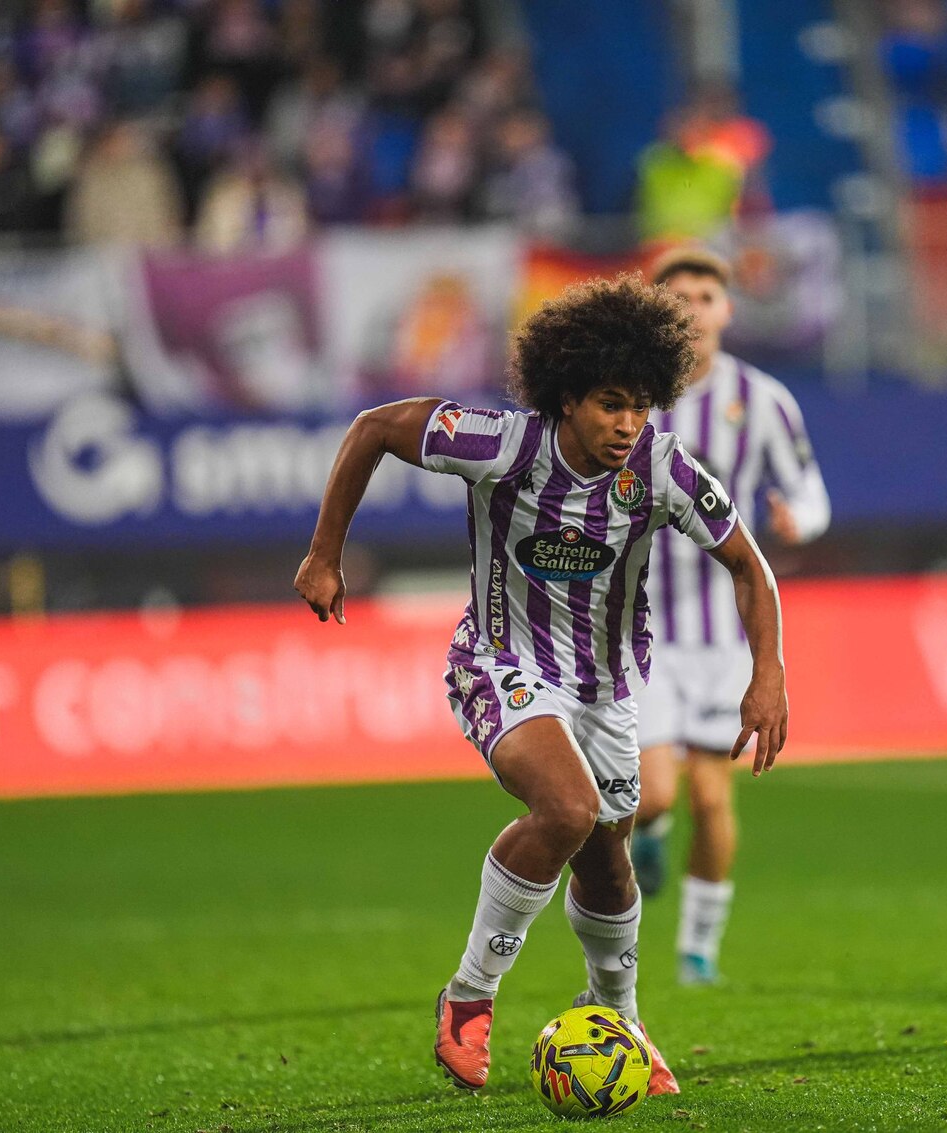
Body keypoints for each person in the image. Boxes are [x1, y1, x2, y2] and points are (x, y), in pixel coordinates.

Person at [293, 273, 789, 1091]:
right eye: (609, 404)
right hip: (501, 664)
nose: (626, 424)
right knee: (566, 806)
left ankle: (620, 1017)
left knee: (609, 864)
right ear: (566, 397)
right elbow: (374, 427)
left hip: (607, 691)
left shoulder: (661, 468)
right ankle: (469, 996)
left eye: (639, 405)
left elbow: (747, 563)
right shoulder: (502, 445)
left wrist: (767, 671)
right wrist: (324, 553)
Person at [628, 248, 830, 986]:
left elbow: (809, 489)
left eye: (705, 296)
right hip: (640, 629)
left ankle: (697, 950)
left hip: (724, 633)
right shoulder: (627, 393)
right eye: (676, 297)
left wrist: (799, 522)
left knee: (713, 798)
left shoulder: (762, 399)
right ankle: (649, 829)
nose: (692, 309)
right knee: (654, 791)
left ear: (727, 310)